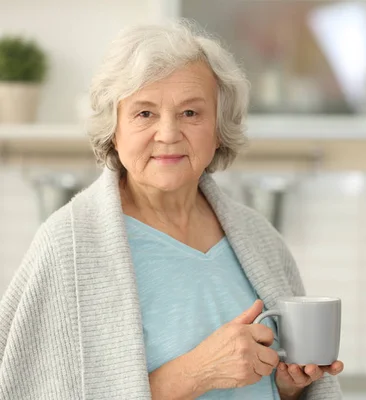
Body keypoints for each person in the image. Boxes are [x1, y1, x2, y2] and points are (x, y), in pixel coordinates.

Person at [0, 21, 343, 399]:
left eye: (191, 113)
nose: (168, 133)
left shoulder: (261, 239)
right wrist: (199, 371)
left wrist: (288, 386)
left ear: (218, 128)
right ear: (115, 129)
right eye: (144, 114)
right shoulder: (68, 246)